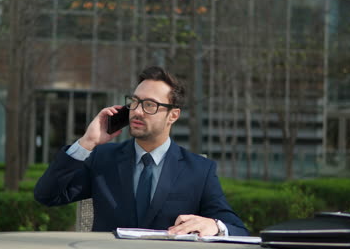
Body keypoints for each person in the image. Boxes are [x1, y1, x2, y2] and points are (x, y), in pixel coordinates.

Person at [34, 66, 249, 236]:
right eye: (135, 102)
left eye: (149, 105)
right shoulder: (103, 158)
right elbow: (47, 195)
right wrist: (87, 142)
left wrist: (214, 225)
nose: (137, 111)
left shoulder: (199, 170)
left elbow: (238, 230)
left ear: (173, 116)